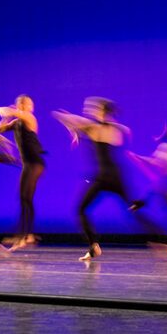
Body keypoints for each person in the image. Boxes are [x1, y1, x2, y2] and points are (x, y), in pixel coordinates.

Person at [52, 97, 136, 261]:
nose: (88, 110)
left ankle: (94, 245)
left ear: (101, 111)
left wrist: (74, 128)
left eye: (92, 108)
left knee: (81, 209)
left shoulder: (92, 126)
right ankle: (160, 239)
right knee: (132, 208)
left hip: (104, 176)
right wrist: (75, 130)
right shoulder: (115, 128)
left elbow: (59, 115)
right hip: (115, 176)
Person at [0, 95, 45, 251]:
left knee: (26, 198)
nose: (31, 108)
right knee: (24, 198)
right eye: (28, 104)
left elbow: (20, 115)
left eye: (31, 105)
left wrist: (9, 111)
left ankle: (23, 236)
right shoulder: (16, 122)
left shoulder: (29, 118)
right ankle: (26, 234)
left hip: (36, 163)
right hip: (27, 165)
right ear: (21, 105)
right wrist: (5, 117)